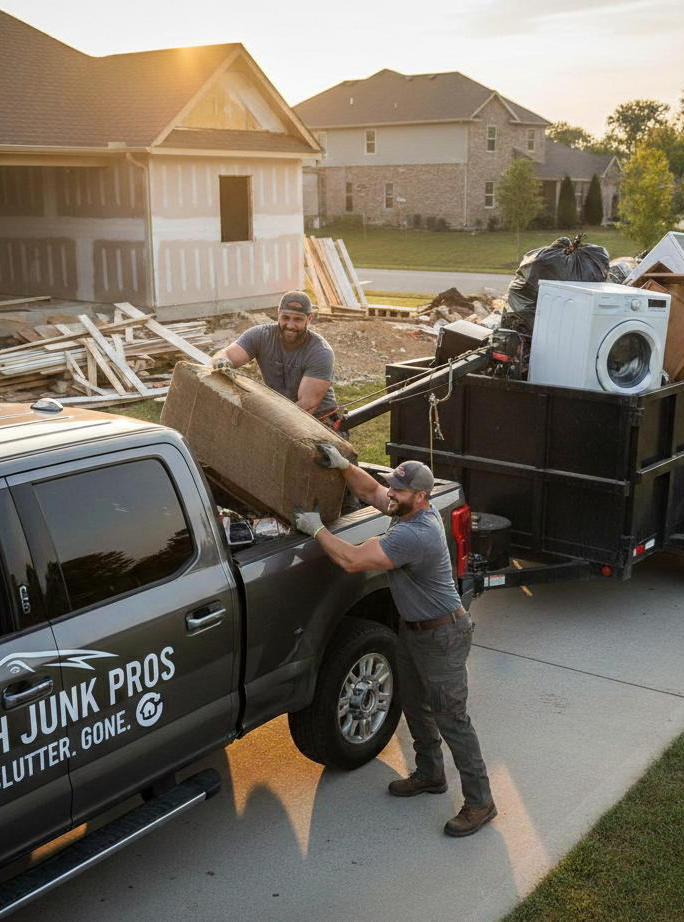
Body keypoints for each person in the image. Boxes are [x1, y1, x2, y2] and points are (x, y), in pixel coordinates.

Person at [293, 448, 496, 838]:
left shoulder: (414, 534)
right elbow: (372, 493)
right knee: (415, 708)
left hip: (442, 637)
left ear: (421, 497)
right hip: (415, 631)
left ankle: (480, 802)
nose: (391, 493)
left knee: (452, 719)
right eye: (393, 485)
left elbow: (351, 560)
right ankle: (430, 774)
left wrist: (316, 529)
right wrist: (344, 465)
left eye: (399, 491)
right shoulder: (410, 508)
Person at [211, 291, 347, 434]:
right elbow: (226, 355)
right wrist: (221, 361)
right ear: (278, 313)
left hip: (320, 422)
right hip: (282, 415)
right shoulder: (260, 336)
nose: (290, 325)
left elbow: (306, 406)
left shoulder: (320, 352)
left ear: (309, 319)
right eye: (286, 317)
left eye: (298, 320)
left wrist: (266, 424)